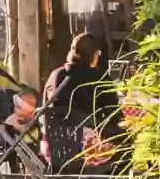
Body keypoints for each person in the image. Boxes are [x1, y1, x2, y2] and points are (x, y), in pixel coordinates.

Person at [42, 32, 123, 170]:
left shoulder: (54, 76)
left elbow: (45, 111)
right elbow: (114, 115)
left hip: (53, 151)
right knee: (127, 140)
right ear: (95, 54)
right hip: (87, 152)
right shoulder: (99, 78)